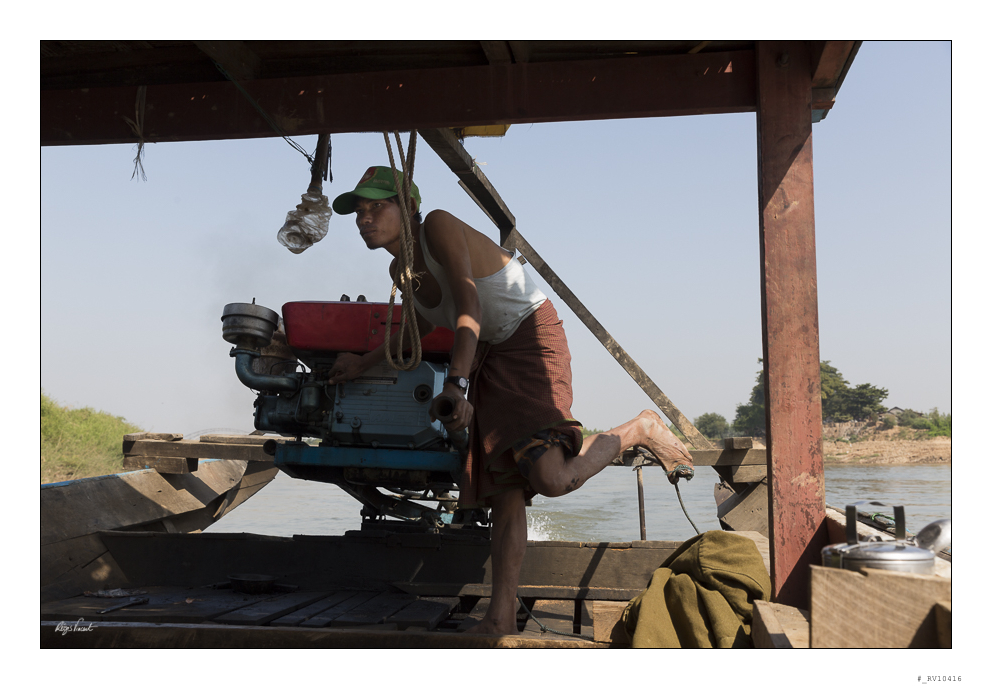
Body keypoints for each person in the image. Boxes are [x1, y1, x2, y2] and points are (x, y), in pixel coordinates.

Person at [327, 165, 695, 635]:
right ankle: (500, 616)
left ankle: (639, 428)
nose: (365, 218)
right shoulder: (400, 269)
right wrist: (362, 364)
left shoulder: (437, 225)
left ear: (410, 206)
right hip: (488, 351)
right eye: (359, 210)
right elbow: (420, 328)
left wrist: (456, 385)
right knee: (504, 490)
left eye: (378, 206)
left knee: (552, 478)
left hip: (529, 337)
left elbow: (469, 306)